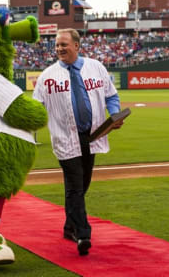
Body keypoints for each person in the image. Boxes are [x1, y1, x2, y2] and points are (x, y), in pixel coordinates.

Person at [33, 28, 122, 256]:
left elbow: (111, 96)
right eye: (57, 46)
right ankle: (83, 234)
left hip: (93, 135)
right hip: (64, 137)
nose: (60, 49)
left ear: (77, 45)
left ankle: (69, 226)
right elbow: (36, 109)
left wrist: (114, 115)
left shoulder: (96, 67)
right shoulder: (47, 76)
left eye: (64, 44)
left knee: (82, 185)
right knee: (75, 185)